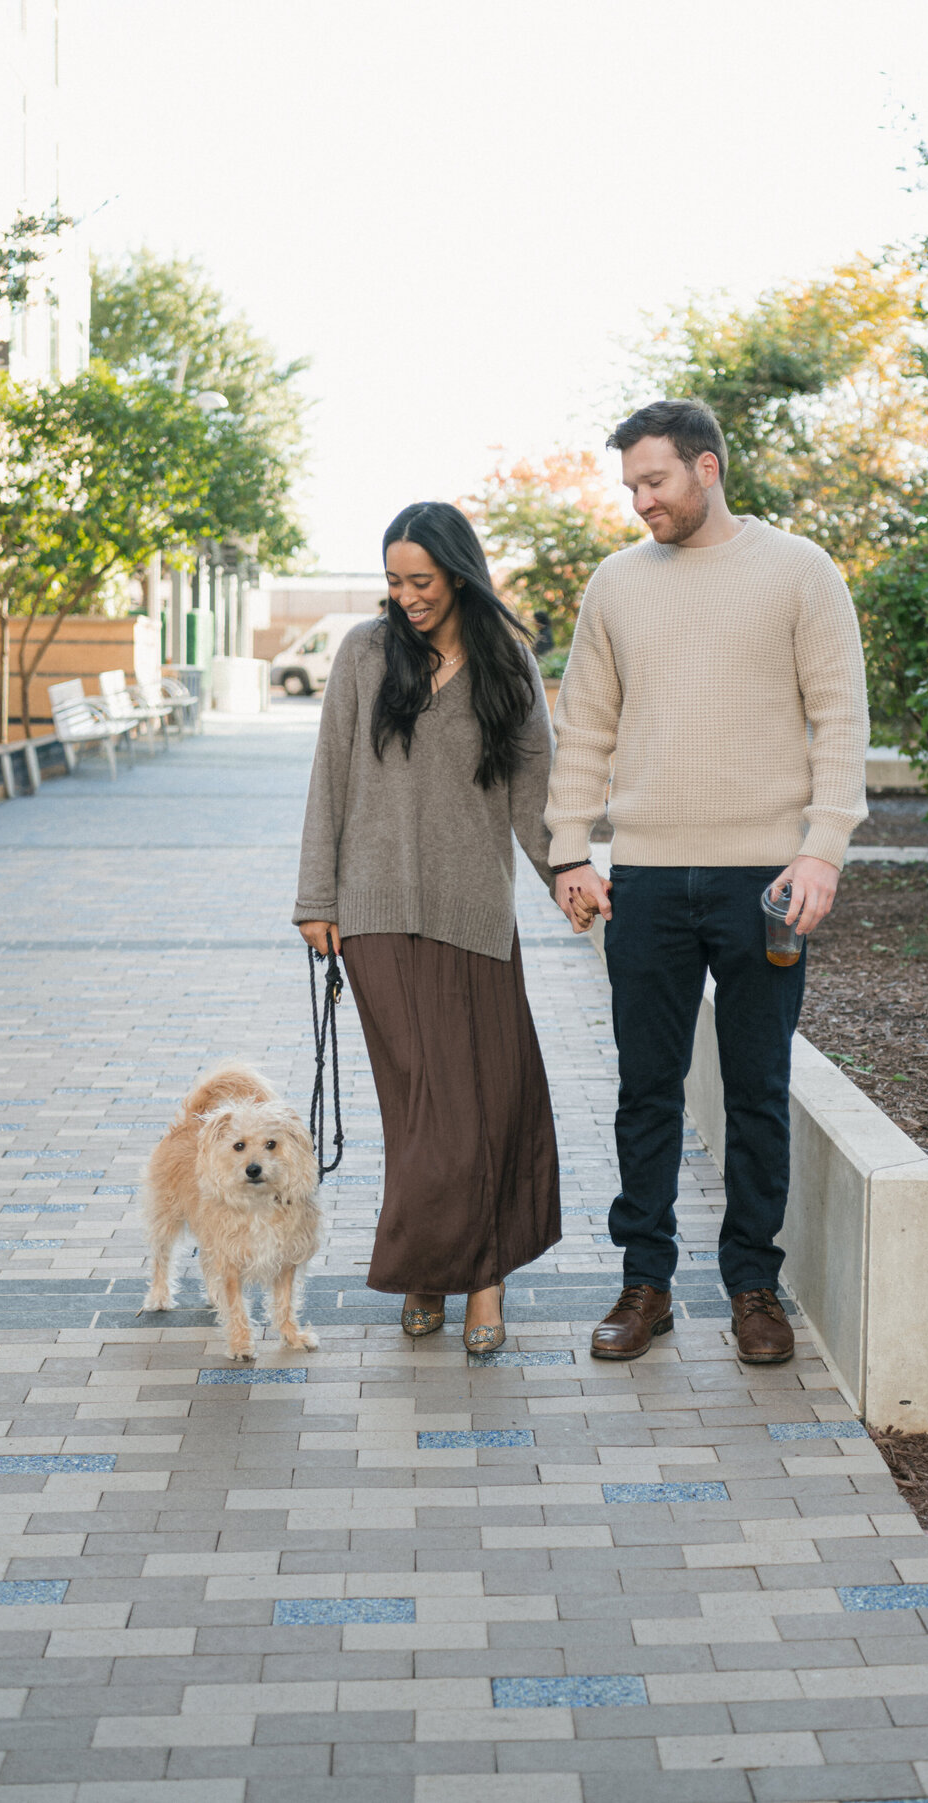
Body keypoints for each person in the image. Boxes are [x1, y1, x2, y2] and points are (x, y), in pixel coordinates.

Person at [546, 399, 868, 1364]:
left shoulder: (801, 572)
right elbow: (586, 727)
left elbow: (841, 720)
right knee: (646, 1088)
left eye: (656, 481)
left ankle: (753, 1286)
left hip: (767, 881)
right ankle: (645, 1282)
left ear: (709, 468)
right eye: (631, 486)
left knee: (758, 1089)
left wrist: (823, 849)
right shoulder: (615, 585)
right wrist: (570, 850)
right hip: (644, 876)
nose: (641, 500)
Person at [294, 501, 561, 1352]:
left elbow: (536, 795)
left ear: (458, 572)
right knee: (423, 1109)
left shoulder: (506, 662)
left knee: (487, 1101)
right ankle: (433, 1270)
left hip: (477, 915)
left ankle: (475, 1279)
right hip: (374, 918)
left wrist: (571, 878)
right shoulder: (365, 654)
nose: (405, 595)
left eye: (420, 580)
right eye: (393, 581)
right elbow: (329, 779)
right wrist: (316, 897)